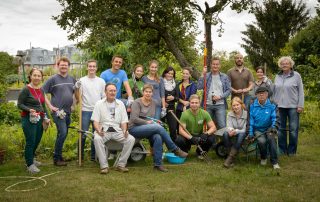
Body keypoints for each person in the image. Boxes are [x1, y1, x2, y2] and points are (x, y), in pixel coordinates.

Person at [128, 84, 188, 172]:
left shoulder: (153, 102)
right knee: (158, 128)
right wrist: (147, 123)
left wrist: (154, 122)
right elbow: (134, 119)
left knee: (158, 137)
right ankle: (174, 148)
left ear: (152, 93)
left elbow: (150, 118)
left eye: (150, 92)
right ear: (143, 92)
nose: (148, 94)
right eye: (146, 92)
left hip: (147, 127)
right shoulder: (137, 102)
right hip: (134, 128)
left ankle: (158, 164)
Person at [91, 83, 135, 174]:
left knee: (131, 139)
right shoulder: (99, 104)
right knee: (97, 139)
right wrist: (98, 130)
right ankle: (104, 167)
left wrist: (124, 130)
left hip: (117, 130)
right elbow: (95, 121)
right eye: (110, 90)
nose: (112, 92)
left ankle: (121, 165)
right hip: (103, 130)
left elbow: (124, 121)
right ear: (105, 92)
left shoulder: (121, 104)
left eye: (114, 91)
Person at [43, 57, 76, 166]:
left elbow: (75, 92)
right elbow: (42, 93)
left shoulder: (72, 79)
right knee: (63, 132)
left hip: (68, 111)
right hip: (58, 112)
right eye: (61, 65)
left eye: (66, 65)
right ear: (58, 66)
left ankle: (58, 156)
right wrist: (50, 106)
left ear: (68, 67)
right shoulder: (53, 79)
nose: (64, 67)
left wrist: (74, 104)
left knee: (61, 134)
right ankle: (57, 158)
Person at [100, 55, 134, 159]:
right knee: (109, 125)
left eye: (120, 62)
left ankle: (127, 132)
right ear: (112, 62)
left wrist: (130, 97)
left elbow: (127, 86)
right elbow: (102, 89)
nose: (118, 63)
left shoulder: (122, 73)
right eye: (116, 61)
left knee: (119, 124)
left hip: (119, 101)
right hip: (107, 101)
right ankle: (110, 150)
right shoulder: (104, 74)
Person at [17, 68, 51, 173]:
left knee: (37, 140)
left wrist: (46, 117)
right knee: (31, 141)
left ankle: (31, 159)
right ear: (30, 76)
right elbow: (19, 104)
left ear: (41, 78)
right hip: (28, 119)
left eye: (39, 76)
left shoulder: (41, 90)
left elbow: (43, 105)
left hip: (39, 119)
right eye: (34, 75)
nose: (36, 77)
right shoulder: (26, 89)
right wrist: (29, 110)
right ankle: (29, 165)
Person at [74, 60, 105, 161]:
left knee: (96, 134)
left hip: (97, 111)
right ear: (87, 68)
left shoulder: (101, 81)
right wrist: (77, 88)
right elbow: (78, 97)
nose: (92, 68)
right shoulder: (82, 81)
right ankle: (80, 157)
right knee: (83, 134)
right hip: (85, 110)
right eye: (90, 66)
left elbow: (104, 97)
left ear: (96, 68)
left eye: (94, 66)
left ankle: (94, 157)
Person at [273, 56, 304, 156]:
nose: (284, 65)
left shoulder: (296, 76)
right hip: (279, 107)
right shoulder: (277, 76)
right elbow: (274, 91)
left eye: (286, 63)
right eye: (282, 63)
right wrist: (274, 104)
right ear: (280, 65)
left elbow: (301, 92)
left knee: (293, 130)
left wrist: (300, 105)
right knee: (281, 130)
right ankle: (282, 149)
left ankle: (291, 151)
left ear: (291, 65)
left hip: (293, 107)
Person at [175, 94, 216, 159]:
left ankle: (199, 152)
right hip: (188, 136)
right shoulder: (185, 114)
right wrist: (190, 138)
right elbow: (181, 131)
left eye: (196, 103)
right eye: (192, 103)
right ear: (189, 103)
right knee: (179, 139)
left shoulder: (205, 113)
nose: (194, 104)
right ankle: (185, 151)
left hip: (199, 136)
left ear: (199, 103)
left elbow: (213, 127)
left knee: (212, 137)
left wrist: (206, 134)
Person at [248, 87, 280, 170]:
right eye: (259, 93)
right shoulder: (252, 105)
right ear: (256, 95)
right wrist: (251, 133)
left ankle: (274, 162)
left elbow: (275, 118)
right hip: (258, 129)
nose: (261, 94)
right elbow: (250, 121)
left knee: (271, 139)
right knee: (261, 141)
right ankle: (263, 157)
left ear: (267, 94)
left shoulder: (272, 104)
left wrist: (273, 128)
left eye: (264, 93)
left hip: (269, 128)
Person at [198, 57, 231, 129]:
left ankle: (222, 140)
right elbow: (199, 87)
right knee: (208, 126)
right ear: (211, 65)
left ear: (220, 65)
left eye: (217, 64)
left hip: (220, 105)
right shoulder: (206, 75)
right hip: (207, 105)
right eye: (213, 64)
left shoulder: (224, 77)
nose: (215, 66)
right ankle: (210, 140)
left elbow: (229, 90)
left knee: (222, 126)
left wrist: (220, 97)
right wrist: (202, 74)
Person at [223, 97, 247, 168]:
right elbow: (229, 125)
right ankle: (230, 155)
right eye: (234, 105)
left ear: (241, 105)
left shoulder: (246, 114)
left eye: (237, 105)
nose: (236, 107)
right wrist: (231, 130)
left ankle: (230, 158)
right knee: (225, 134)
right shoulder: (230, 114)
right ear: (232, 106)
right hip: (233, 132)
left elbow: (245, 129)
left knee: (241, 135)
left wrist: (236, 131)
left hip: (242, 133)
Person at [162, 66, 179, 140]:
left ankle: (174, 146)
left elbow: (178, 98)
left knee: (173, 127)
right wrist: (163, 101)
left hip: (171, 108)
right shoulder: (160, 82)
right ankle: (160, 146)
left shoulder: (176, 84)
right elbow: (157, 95)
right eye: (168, 73)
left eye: (172, 74)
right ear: (165, 74)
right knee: (161, 127)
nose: (170, 75)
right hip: (162, 107)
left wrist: (173, 98)